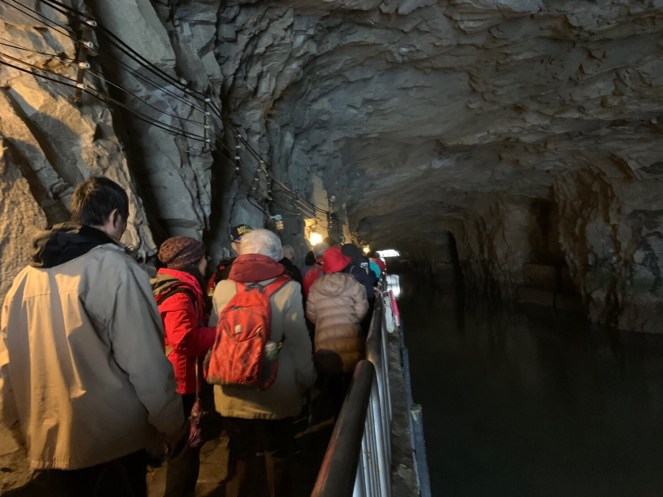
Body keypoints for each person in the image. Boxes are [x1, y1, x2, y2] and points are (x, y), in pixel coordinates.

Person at [0, 176, 184, 497]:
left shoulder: (25, 279)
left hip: (47, 441)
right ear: (115, 217)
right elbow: (144, 361)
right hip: (111, 444)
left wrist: (18, 425)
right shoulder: (115, 268)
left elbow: (6, 363)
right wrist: (172, 423)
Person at [209, 229, 316, 497]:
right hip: (275, 384)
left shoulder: (223, 288)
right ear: (275, 255)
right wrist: (307, 378)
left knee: (240, 454)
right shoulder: (288, 288)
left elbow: (215, 333)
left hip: (232, 383)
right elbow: (299, 340)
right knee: (279, 452)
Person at [153, 236, 216, 497]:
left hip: (173, 375)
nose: (206, 261)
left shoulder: (167, 285)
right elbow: (184, 339)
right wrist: (218, 332)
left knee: (183, 448)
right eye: (202, 257)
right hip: (180, 379)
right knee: (184, 450)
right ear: (191, 261)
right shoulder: (180, 293)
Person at [306, 246, 369, 416]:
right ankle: (355, 416)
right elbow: (362, 310)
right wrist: (350, 320)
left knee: (332, 382)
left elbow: (311, 315)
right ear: (343, 265)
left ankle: (337, 416)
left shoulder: (316, 287)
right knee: (352, 380)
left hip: (325, 342)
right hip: (350, 337)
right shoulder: (353, 284)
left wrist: (324, 323)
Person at [206, 224, 253, 296]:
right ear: (234, 246)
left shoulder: (267, 265)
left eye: (252, 240)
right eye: (243, 241)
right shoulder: (226, 271)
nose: (249, 245)